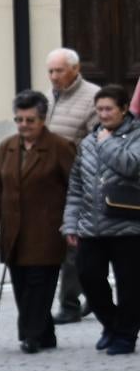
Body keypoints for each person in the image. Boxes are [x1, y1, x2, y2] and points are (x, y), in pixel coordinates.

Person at [0, 90, 78, 354]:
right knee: (22, 286)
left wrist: (73, 222)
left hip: (47, 231)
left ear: (42, 120)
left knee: (39, 287)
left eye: (30, 120)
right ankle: (45, 334)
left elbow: (76, 187)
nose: (23, 125)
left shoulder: (60, 147)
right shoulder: (8, 147)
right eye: (19, 120)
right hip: (14, 233)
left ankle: (31, 336)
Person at [64, 83, 140, 356]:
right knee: (89, 277)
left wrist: (107, 143)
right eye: (99, 110)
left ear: (123, 109)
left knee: (130, 285)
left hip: (129, 225)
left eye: (109, 109)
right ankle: (111, 323)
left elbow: (131, 166)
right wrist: (71, 224)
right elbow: (75, 186)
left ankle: (126, 336)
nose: (103, 115)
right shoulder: (88, 142)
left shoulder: (135, 136)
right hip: (91, 226)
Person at [44, 48, 103, 324]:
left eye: (59, 70)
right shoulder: (48, 98)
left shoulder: (92, 97)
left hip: (79, 184)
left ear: (75, 69)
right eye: (51, 71)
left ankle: (69, 304)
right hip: (50, 185)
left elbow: (99, 142)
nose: (54, 77)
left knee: (73, 245)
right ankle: (93, 293)